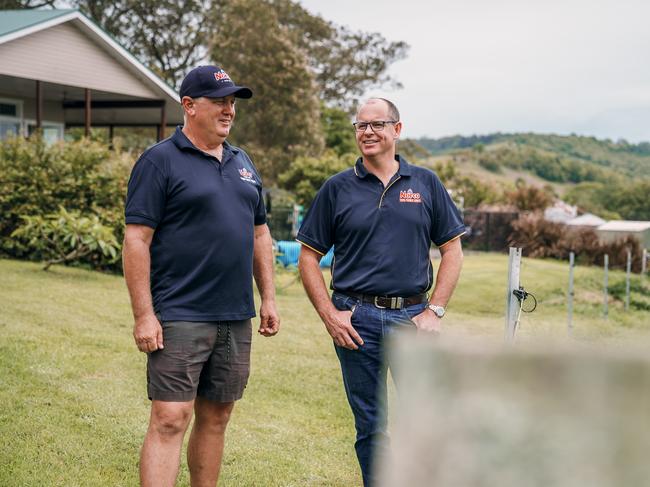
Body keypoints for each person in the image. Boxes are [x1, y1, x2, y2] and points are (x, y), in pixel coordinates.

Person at [123, 65, 279, 487]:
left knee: (217, 416)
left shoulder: (243, 163)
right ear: (189, 105)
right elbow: (137, 240)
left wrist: (268, 297)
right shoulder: (159, 161)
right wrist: (144, 315)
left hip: (234, 315)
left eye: (233, 102)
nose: (229, 109)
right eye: (220, 101)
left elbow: (260, 232)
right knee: (171, 417)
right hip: (179, 312)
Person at [297, 98, 464, 486]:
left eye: (377, 124)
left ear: (397, 130)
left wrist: (434, 311)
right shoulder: (337, 188)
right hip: (356, 321)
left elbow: (452, 249)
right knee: (371, 425)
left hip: (413, 318)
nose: (368, 132)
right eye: (360, 126)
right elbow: (309, 256)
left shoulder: (425, 184)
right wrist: (329, 314)